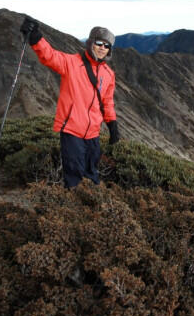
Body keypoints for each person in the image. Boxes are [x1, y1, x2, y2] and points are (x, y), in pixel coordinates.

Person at [20, 17, 121, 188]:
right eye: (99, 43)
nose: (102, 48)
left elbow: (107, 102)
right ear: (90, 43)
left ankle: (92, 208)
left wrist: (112, 125)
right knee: (74, 173)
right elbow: (49, 56)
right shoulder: (71, 63)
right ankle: (72, 208)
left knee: (92, 171)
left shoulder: (108, 74)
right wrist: (35, 37)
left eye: (107, 45)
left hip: (93, 132)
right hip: (71, 129)